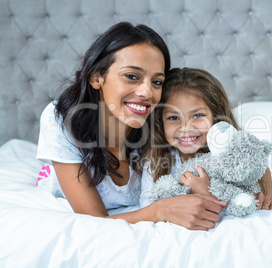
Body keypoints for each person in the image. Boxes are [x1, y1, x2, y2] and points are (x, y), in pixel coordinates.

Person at [36, 22, 226, 231]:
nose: (147, 93)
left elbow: (232, 154)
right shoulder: (63, 119)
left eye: (157, 81)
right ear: (96, 77)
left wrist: (258, 192)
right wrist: (160, 210)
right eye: (132, 76)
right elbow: (93, 220)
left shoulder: (164, 120)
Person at [139, 67, 272, 210]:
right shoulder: (156, 158)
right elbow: (148, 204)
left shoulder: (228, 151)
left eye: (197, 115)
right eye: (173, 117)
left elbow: (260, 166)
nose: (186, 127)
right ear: (160, 122)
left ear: (216, 117)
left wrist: (265, 196)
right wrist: (202, 194)